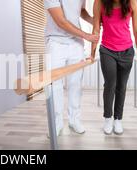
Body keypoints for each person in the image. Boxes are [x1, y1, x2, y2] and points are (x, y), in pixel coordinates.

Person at [90, 0, 137, 135]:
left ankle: (118, 119)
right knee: (110, 84)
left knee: (121, 86)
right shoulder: (99, 2)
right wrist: (91, 54)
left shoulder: (133, 2)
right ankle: (108, 118)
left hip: (127, 51)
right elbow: (96, 28)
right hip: (107, 50)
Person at [44, 0, 98, 136]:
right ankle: (56, 123)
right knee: (55, 85)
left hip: (76, 43)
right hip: (56, 41)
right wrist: (87, 36)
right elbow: (60, 21)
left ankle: (74, 120)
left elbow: (80, 10)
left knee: (75, 84)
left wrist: (92, 20)